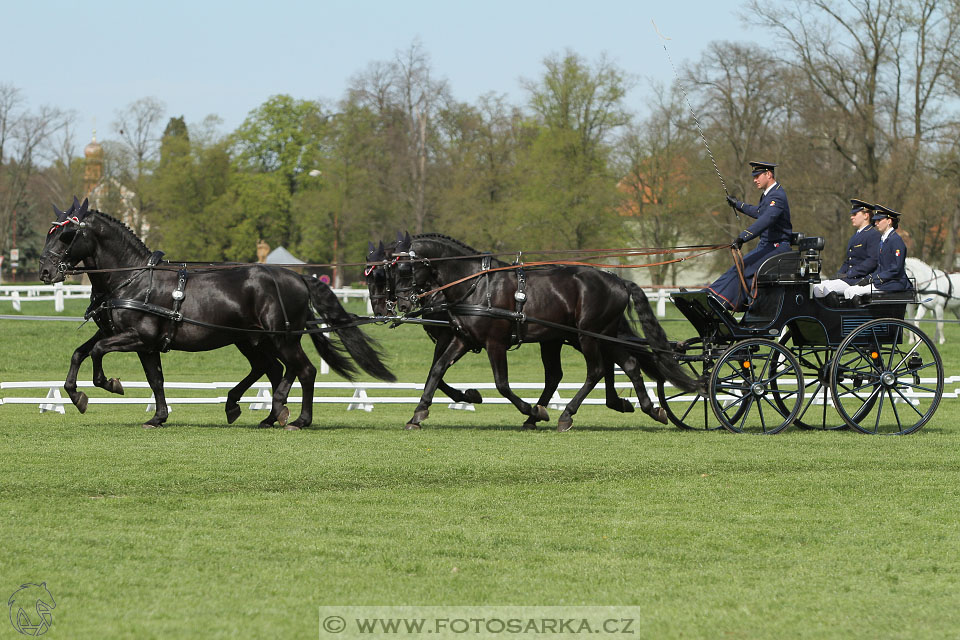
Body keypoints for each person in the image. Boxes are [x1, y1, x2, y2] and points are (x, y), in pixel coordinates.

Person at [705, 161, 792, 311]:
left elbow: (766, 220)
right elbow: (759, 212)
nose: (754, 180)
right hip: (767, 246)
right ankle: (709, 295)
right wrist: (738, 204)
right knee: (737, 268)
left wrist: (743, 237)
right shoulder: (768, 195)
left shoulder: (777, 196)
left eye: (757, 176)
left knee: (743, 269)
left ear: (769, 174)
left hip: (777, 248)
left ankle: (719, 302)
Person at [812, 199, 881, 300]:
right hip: (849, 278)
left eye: (855, 214)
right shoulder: (855, 236)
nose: (851, 217)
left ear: (866, 216)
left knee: (825, 288)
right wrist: (839, 274)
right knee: (816, 286)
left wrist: (851, 273)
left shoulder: (873, 235)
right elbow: (848, 261)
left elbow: (872, 261)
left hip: (859, 279)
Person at [842, 204, 911, 299]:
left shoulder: (895, 240)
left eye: (879, 220)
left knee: (853, 291)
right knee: (850, 290)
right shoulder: (884, 240)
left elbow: (896, 268)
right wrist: (868, 278)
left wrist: (875, 278)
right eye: (875, 220)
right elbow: (880, 267)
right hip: (884, 282)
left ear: (889, 221)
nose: (876, 223)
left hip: (893, 283)